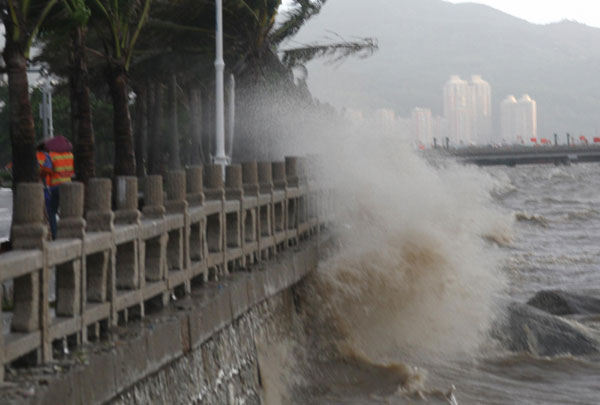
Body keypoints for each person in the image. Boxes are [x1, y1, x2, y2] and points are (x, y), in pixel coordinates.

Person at [46, 136, 74, 239]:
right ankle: (69, 233)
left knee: (52, 211)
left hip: (55, 187)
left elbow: (48, 172)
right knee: (67, 210)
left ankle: (55, 235)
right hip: (68, 186)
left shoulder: (51, 156)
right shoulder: (70, 155)